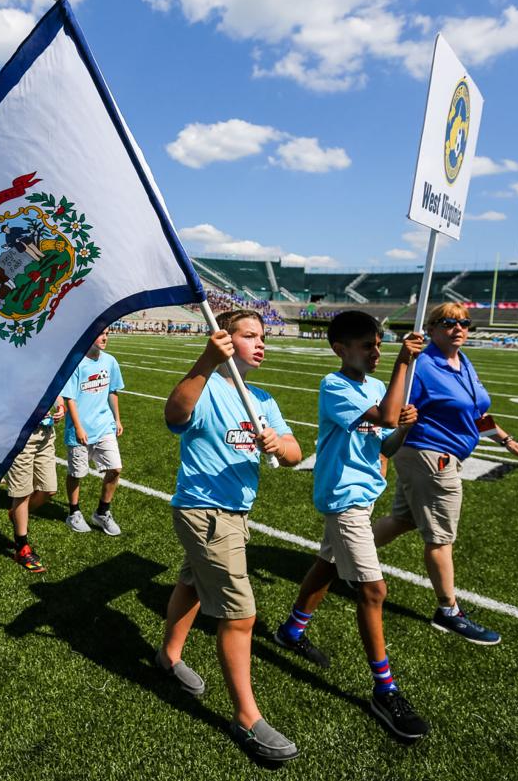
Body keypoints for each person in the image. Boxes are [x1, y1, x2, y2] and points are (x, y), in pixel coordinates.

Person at [273, 310, 429, 739]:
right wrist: (402, 364)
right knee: (373, 590)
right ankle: (385, 690)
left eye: (380, 345)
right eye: (367, 346)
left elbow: (387, 439)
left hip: (362, 495)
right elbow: (383, 418)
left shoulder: (377, 387)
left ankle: (291, 630)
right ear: (341, 349)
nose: (376, 352)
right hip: (343, 499)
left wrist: (404, 430)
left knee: (327, 564)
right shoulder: (335, 385)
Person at [159, 309, 302, 765]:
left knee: (192, 585)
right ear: (224, 339)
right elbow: (174, 414)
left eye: (263, 337)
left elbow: (295, 451)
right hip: (204, 510)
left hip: (236, 514)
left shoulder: (261, 398)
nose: (261, 343)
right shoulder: (208, 386)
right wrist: (203, 362)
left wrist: (280, 446)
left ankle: (168, 655)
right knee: (240, 614)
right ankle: (246, 717)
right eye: (250, 336)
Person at [372, 303, 518, 644]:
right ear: (430, 329)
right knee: (440, 539)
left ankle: (346, 557)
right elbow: (394, 410)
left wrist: (509, 442)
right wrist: (404, 360)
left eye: (464, 323)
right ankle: (448, 611)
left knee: (404, 519)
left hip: (439, 456)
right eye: (448, 322)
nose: (458, 328)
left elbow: (477, 413)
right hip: (430, 456)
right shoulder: (424, 366)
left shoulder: (462, 362)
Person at [61, 330, 124, 535]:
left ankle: (102, 512)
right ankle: (74, 513)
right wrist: (78, 427)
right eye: (100, 334)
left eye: (107, 333)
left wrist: (117, 419)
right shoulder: (76, 363)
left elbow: (112, 391)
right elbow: (70, 398)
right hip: (80, 429)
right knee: (76, 473)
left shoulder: (111, 361)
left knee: (115, 468)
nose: (105, 338)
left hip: (105, 426)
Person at [1, 396, 65, 573]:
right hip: (21, 434)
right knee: (22, 493)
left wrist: (61, 407)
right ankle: (21, 548)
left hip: (46, 433)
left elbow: (57, 391)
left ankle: (17, 515)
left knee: (48, 490)